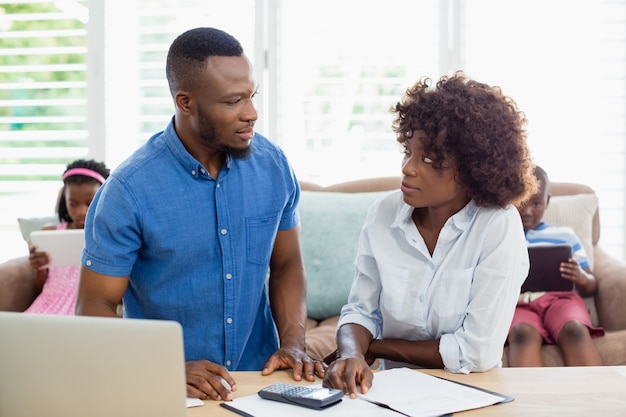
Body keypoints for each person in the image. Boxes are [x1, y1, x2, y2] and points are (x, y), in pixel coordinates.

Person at [75, 27, 323, 401]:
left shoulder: (273, 166)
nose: (251, 114)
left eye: (252, 96)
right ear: (186, 102)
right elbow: (95, 305)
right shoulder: (128, 191)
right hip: (167, 388)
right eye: (232, 101)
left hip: (261, 380)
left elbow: (287, 264)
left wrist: (293, 342)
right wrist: (163, 368)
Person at [322, 72, 537, 398]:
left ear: (472, 168)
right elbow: (362, 310)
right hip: (390, 394)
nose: (408, 167)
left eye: (428, 159)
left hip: (472, 393)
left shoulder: (497, 224)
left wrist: (376, 347)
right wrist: (352, 354)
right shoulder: (382, 214)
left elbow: (476, 351)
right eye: (408, 151)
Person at [506, 166, 604, 366]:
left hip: (561, 301)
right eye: (522, 201)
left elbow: (592, 285)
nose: (527, 210)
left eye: (536, 203)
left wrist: (581, 278)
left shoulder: (565, 236)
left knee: (575, 330)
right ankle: (532, 398)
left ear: (547, 202)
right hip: (517, 303)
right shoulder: (502, 237)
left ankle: (594, 394)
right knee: (522, 333)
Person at [25, 159, 110, 315]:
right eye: (73, 204)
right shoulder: (50, 233)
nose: (82, 212)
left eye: (89, 203)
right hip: (47, 306)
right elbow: (40, 286)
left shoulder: (108, 235)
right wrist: (39, 268)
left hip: (85, 307)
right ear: (65, 201)